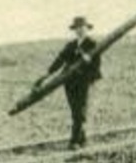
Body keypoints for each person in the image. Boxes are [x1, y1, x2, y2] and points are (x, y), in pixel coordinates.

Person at [44, 15, 103, 148]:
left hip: (85, 82)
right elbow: (59, 60)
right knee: (75, 110)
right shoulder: (70, 46)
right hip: (70, 83)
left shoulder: (92, 44)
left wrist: (88, 62)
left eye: (82, 27)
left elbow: (97, 66)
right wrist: (48, 74)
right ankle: (81, 139)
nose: (80, 30)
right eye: (77, 28)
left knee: (82, 111)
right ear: (74, 30)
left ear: (87, 29)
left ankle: (75, 140)